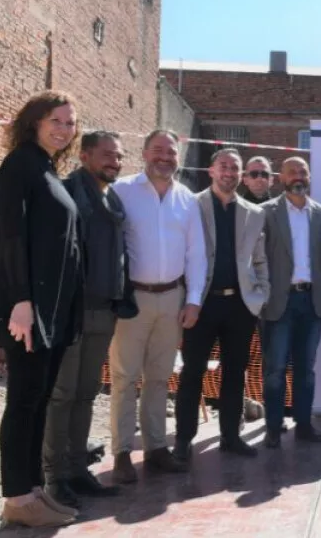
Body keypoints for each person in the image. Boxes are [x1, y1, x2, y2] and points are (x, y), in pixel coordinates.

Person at [0, 90, 83, 527]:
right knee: (24, 400)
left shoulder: (46, 168)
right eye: (56, 120)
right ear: (35, 121)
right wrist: (20, 301)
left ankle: (32, 490)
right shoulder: (19, 165)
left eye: (70, 123)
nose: (64, 129)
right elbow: (9, 235)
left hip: (52, 310)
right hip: (29, 310)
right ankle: (16, 495)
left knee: (38, 399)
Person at [109, 129, 206, 483]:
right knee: (124, 378)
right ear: (144, 153)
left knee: (160, 378)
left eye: (171, 152)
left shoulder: (188, 199)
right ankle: (121, 452)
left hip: (172, 299)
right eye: (158, 150)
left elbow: (197, 253)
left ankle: (155, 448)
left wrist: (193, 300)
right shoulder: (121, 191)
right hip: (131, 300)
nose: (165, 157)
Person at [42, 131, 127, 509]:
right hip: (70, 312)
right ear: (85, 155)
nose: (115, 162)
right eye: (107, 155)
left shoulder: (113, 199)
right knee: (62, 395)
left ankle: (78, 469)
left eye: (119, 156)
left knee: (86, 393)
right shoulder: (67, 193)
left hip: (103, 309)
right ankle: (54, 476)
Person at [173, 149, 269, 460]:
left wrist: (261, 293)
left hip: (240, 305)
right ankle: (183, 440)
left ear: (241, 175)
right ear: (211, 170)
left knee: (235, 372)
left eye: (235, 168)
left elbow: (260, 259)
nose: (229, 172)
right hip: (200, 303)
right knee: (192, 372)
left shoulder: (254, 213)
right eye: (223, 166)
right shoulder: (191, 205)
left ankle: (230, 436)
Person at [260, 156, 321, 448]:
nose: (298, 176)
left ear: (310, 177)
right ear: (281, 177)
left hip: (311, 301)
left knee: (306, 369)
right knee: (275, 370)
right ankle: (273, 427)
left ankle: (304, 424)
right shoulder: (265, 212)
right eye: (292, 172)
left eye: (303, 171)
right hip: (279, 301)